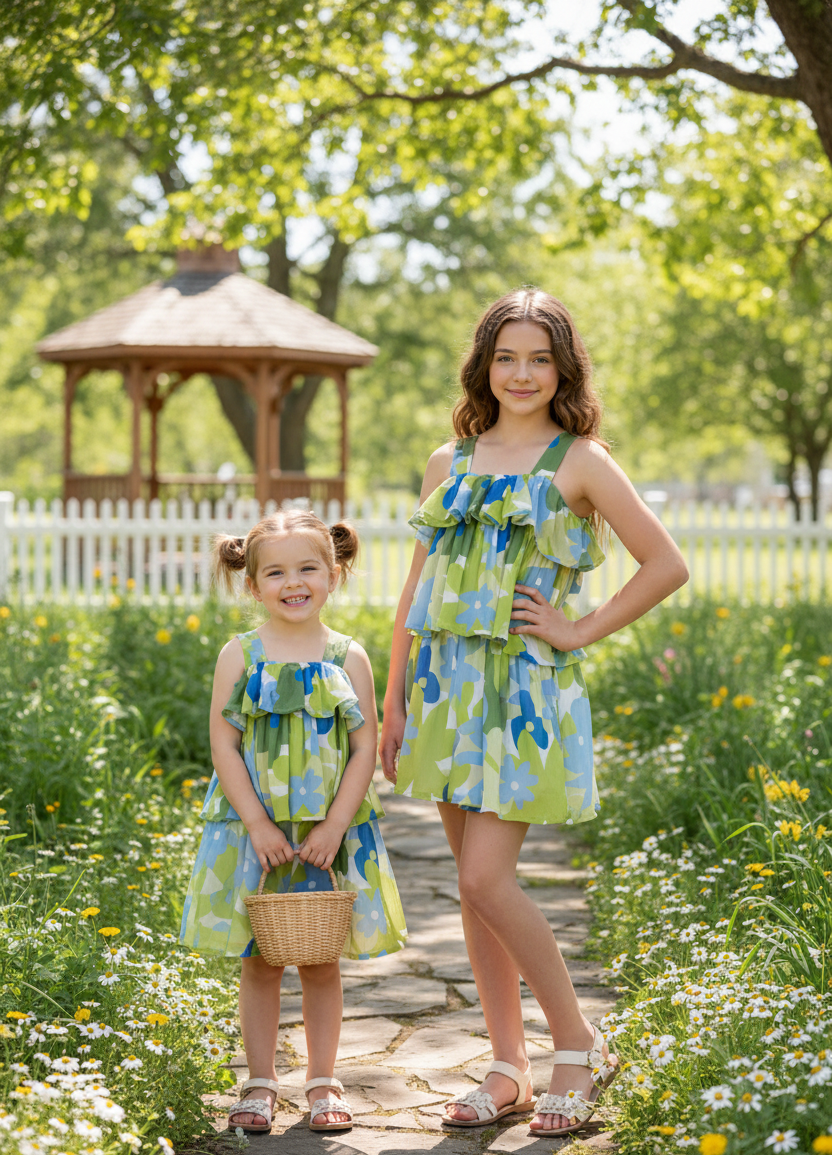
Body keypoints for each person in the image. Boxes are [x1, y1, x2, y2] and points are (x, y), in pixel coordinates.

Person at [379, 288, 688, 1137]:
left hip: (522, 695)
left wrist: (576, 628)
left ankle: (578, 1044)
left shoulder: (580, 460)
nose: (521, 373)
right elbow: (416, 587)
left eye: (538, 358)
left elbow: (666, 563)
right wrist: (394, 693)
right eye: (506, 356)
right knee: (476, 896)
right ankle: (507, 1064)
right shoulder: (451, 461)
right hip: (443, 688)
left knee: (485, 879)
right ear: (485, 363)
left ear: (563, 368)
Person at [180, 509, 406, 1135]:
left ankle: (323, 1082)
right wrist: (256, 823)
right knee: (260, 957)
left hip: (323, 834)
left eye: (307, 568)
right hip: (259, 829)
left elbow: (364, 747)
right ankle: (258, 1083)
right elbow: (223, 743)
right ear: (253, 586)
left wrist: (336, 825)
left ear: (333, 574)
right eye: (275, 572)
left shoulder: (347, 655)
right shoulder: (240, 654)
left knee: (319, 957)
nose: (293, 582)